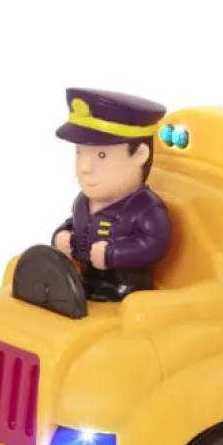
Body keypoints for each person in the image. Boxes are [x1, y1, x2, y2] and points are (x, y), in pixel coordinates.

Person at [51, 88, 173, 301]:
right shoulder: (83, 202)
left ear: (140, 154)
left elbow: (153, 244)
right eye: (80, 152)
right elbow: (76, 223)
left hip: (126, 292)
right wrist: (62, 235)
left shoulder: (146, 209)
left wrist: (113, 254)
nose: (85, 167)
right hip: (84, 285)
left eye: (101, 155)